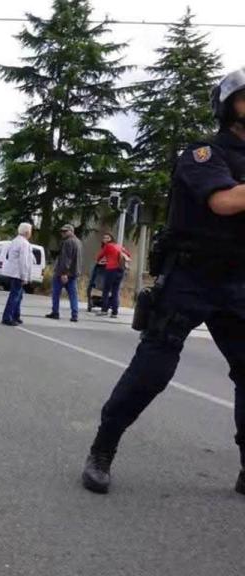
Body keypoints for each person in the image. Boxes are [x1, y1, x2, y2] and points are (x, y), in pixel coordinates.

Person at [82, 69, 245, 495]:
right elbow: (225, 202)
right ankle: (103, 448)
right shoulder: (204, 154)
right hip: (191, 278)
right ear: (228, 106)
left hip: (238, 283)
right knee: (154, 367)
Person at [46, 224, 82, 322]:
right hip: (74, 273)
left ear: (71, 231)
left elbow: (66, 259)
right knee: (73, 295)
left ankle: (55, 312)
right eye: (62, 231)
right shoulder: (78, 242)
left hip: (63, 273)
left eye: (65, 231)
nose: (63, 233)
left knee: (56, 293)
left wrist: (64, 273)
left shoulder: (68, 242)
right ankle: (75, 314)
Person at [1, 223, 34, 326]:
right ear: (27, 232)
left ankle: (16, 315)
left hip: (13, 272)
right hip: (18, 273)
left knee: (18, 296)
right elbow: (24, 261)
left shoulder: (14, 241)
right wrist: (25, 276)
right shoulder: (24, 243)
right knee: (15, 296)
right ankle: (8, 317)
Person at [95, 232, 132, 318]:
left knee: (106, 290)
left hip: (111, 269)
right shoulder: (119, 246)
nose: (105, 239)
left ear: (110, 239)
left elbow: (99, 256)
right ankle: (114, 312)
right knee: (115, 290)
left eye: (107, 238)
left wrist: (99, 261)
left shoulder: (107, 246)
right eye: (104, 238)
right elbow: (128, 255)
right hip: (120, 270)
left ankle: (104, 310)